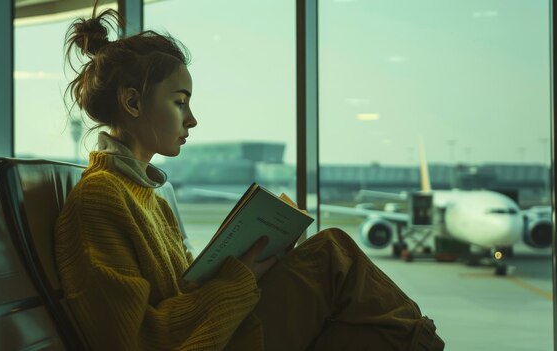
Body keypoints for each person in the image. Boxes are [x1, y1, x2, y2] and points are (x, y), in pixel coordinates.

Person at [54, 5, 445, 351]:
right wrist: (239, 279)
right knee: (332, 253)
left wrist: (244, 267)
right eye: (179, 102)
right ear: (133, 101)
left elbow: (184, 294)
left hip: (219, 331)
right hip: (215, 339)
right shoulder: (100, 198)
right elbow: (135, 339)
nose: (191, 119)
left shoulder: (148, 196)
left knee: (365, 335)